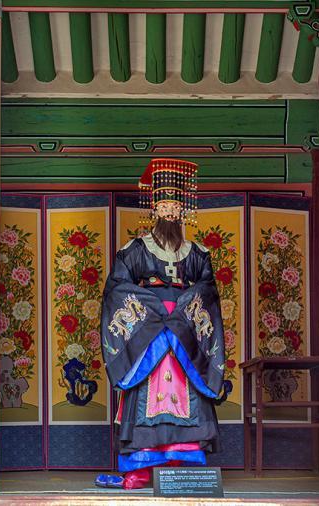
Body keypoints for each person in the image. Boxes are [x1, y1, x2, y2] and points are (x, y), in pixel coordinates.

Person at [95, 159, 226, 490]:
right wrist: (156, 308)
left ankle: (182, 466)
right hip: (148, 332)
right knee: (147, 393)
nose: (169, 212)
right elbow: (117, 288)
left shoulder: (197, 253)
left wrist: (180, 309)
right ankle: (142, 469)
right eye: (164, 205)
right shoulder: (135, 249)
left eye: (175, 206)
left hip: (184, 333)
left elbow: (208, 291)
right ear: (153, 209)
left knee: (187, 390)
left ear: (183, 211)